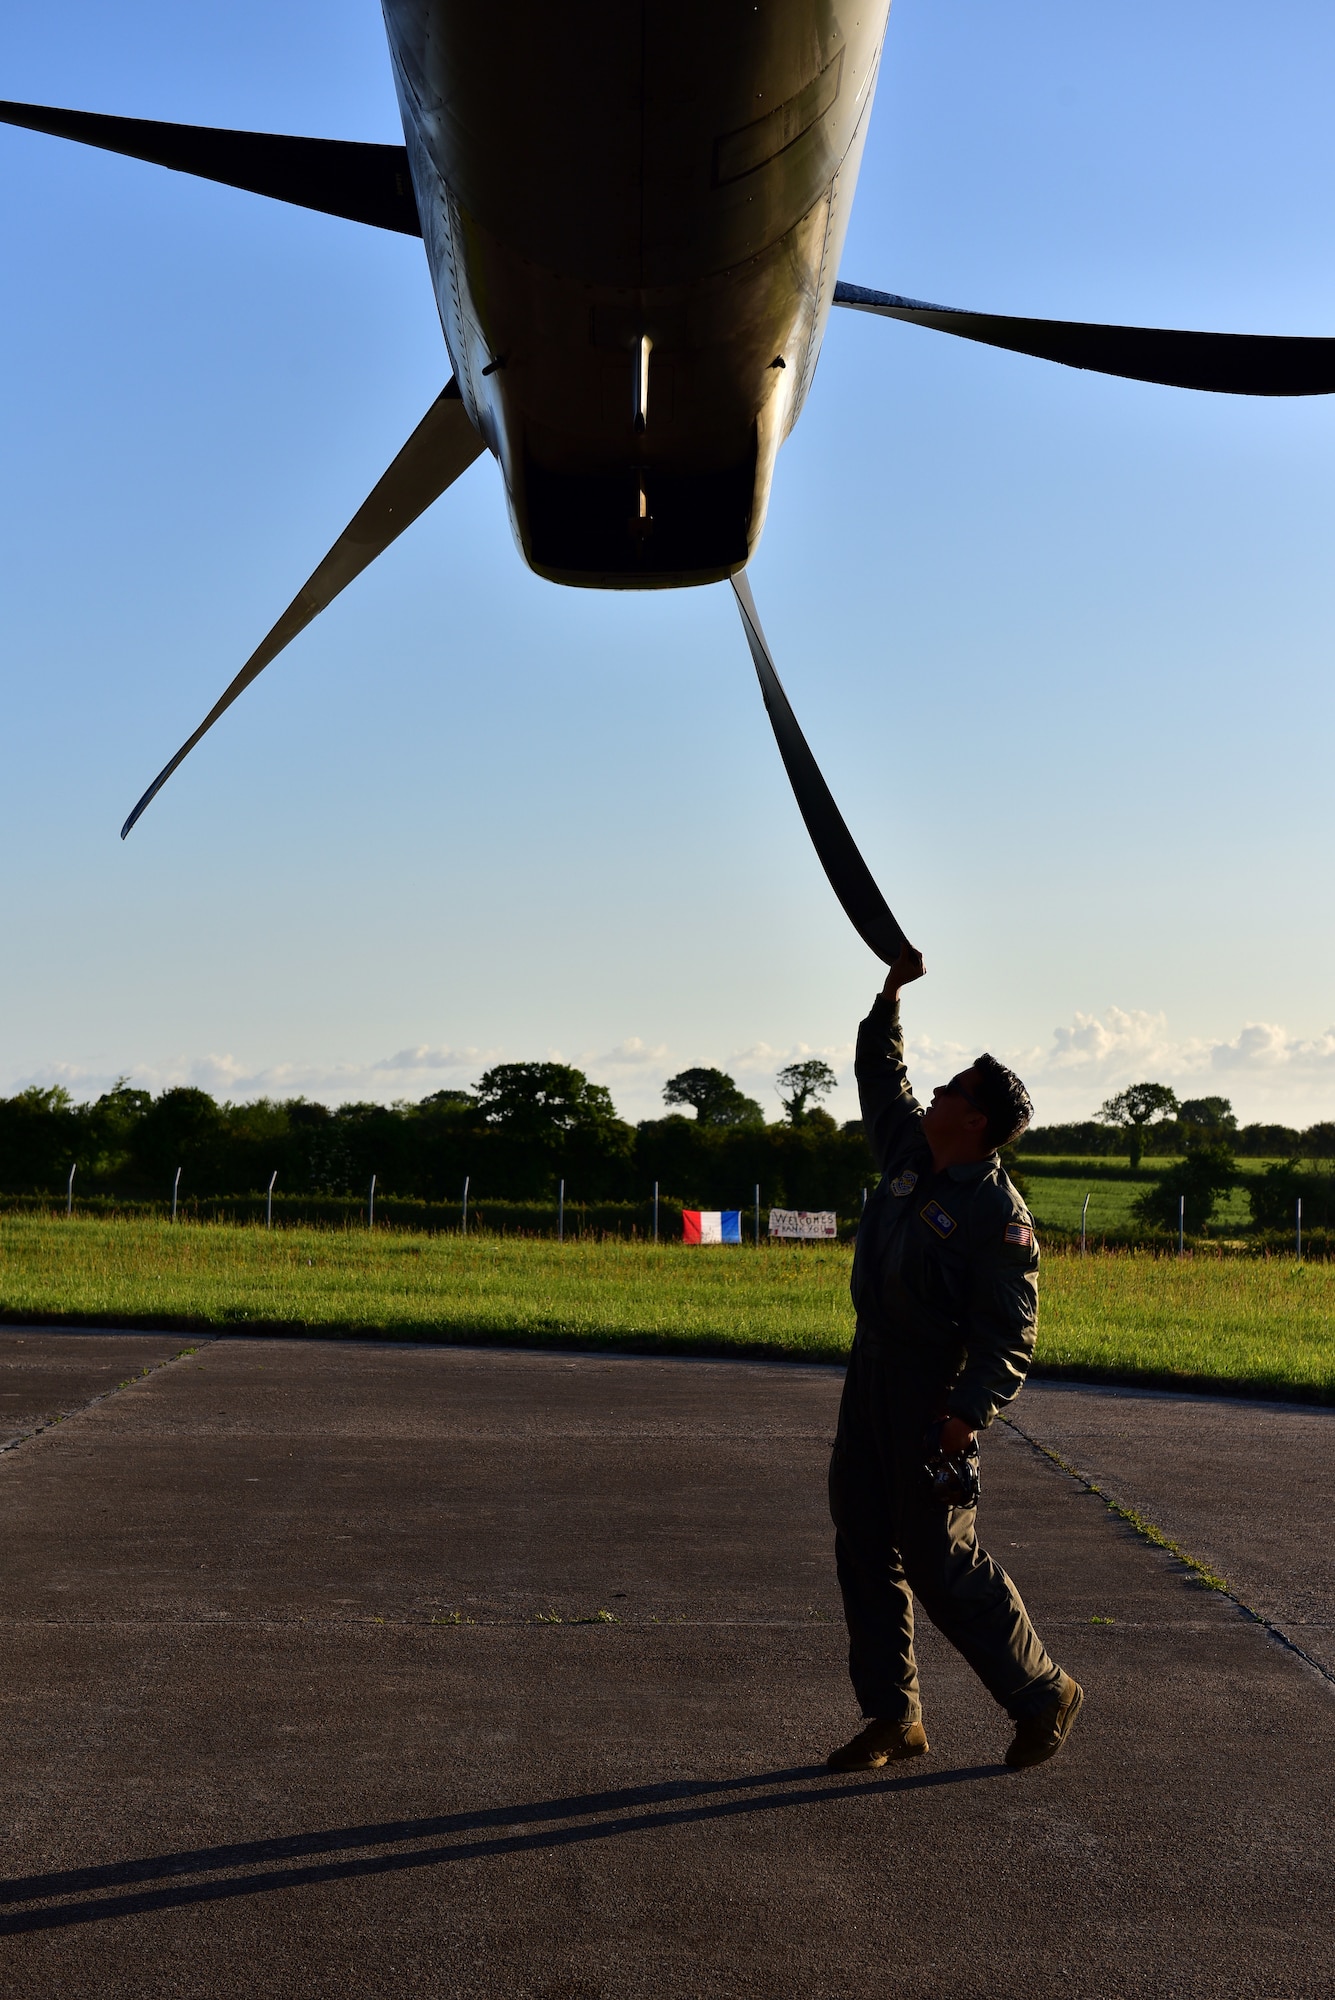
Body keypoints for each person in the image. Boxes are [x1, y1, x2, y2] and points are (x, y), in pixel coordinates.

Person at [826, 943, 1083, 1773]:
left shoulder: (997, 1214)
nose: (934, 1091)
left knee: (939, 1561)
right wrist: (890, 996)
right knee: (863, 1545)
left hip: (929, 1392)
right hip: (869, 1373)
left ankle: (1041, 1691)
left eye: (952, 1089)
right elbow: (879, 1075)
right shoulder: (908, 1152)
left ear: (974, 1121)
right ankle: (891, 1719)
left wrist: (967, 1412)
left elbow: (1010, 1330)